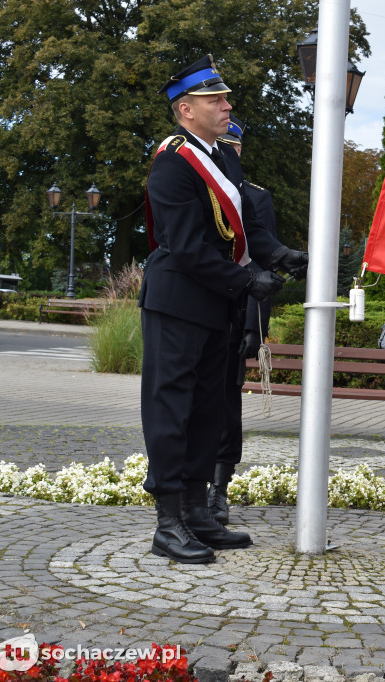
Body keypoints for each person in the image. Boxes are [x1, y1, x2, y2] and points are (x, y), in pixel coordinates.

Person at [141, 55, 309, 564]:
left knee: (210, 411)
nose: (226, 105)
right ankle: (167, 523)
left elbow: (245, 229)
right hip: (179, 302)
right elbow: (189, 247)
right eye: (216, 99)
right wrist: (246, 280)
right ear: (185, 109)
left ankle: (197, 513)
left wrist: (279, 254)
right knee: (173, 410)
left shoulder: (224, 157)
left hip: (217, 306)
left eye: (225, 98)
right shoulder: (173, 162)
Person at [207, 114, 291, 525]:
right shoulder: (195, 187)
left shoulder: (255, 198)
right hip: (197, 313)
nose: (226, 153)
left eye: (232, 147)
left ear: (239, 152)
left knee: (225, 406)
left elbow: (263, 267)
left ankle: (218, 488)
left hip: (237, 316)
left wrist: (254, 328)